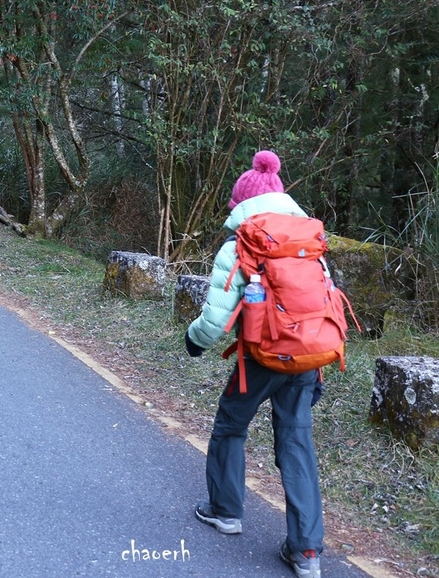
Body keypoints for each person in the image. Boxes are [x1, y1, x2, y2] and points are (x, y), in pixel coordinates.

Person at [185, 150, 325, 578]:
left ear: (240, 204)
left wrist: (194, 341)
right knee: (297, 442)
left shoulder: (242, 242)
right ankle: (306, 553)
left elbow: (215, 317)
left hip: (261, 357)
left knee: (231, 423)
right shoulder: (309, 240)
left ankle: (226, 511)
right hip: (307, 354)